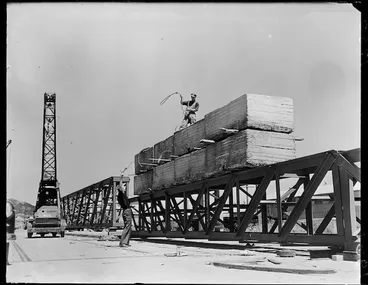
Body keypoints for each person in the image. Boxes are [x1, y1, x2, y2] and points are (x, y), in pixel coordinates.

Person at [117, 177, 132, 247]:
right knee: (127, 227)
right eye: (124, 186)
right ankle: (122, 242)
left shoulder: (121, 194)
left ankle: (126, 242)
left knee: (128, 227)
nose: (125, 187)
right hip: (127, 211)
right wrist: (121, 178)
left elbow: (120, 187)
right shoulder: (121, 194)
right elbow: (120, 186)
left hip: (127, 211)